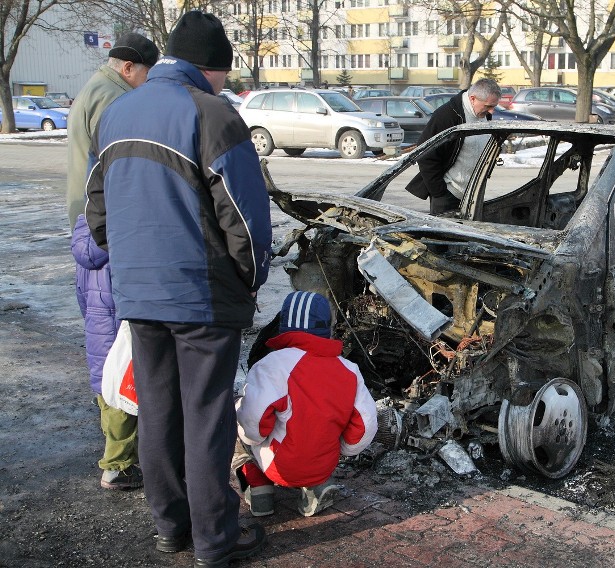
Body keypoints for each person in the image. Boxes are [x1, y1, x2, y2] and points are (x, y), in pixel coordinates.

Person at [85, 11, 273, 567]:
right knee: (206, 417)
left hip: (138, 294)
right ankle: (215, 540)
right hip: (201, 295)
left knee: (159, 411)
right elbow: (244, 218)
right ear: (210, 69)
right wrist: (250, 277)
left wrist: (132, 261)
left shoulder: (118, 110)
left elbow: (98, 213)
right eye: (223, 74)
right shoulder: (213, 115)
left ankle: (171, 528)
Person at [67, 32, 159, 491]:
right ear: (131, 67)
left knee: (106, 366)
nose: (146, 84)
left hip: (91, 247)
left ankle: (117, 455)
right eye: (146, 74)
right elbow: (120, 167)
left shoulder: (92, 88)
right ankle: (119, 463)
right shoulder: (114, 101)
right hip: (114, 257)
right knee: (126, 371)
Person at [234, 291, 378, 518]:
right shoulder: (350, 370)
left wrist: (245, 431)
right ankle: (315, 485)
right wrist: (342, 450)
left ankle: (257, 484)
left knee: (235, 419)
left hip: (279, 466)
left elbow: (252, 426)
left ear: (283, 324)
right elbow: (364, 428)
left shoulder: (270, 366)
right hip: (323, 464)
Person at [405, 78, 501, 215]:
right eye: (487, 106)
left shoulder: (483, 114)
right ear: (473, 99)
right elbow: (425, 152)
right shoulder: (447, 115)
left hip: (473, 195)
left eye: (494, 106)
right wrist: (439, 192)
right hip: (448, 194)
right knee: (444, 236)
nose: (491, 111)